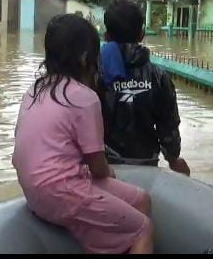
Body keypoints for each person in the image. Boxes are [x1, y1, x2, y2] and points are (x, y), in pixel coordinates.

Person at [12, 14, 154, 254]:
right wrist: (109, 172)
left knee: (141, 200)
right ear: (86, 58)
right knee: (143, 229)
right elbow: (98, 167)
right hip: (62, 192)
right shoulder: (84, 98)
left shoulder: (34, 89)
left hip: (35, 193)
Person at [101, 0, 190, 176]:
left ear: (106, 36)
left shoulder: (94, 72)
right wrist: (173, 159)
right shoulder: (159, 76)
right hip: (146, 165)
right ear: (142, 35)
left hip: (104, 166)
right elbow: (168, 126)